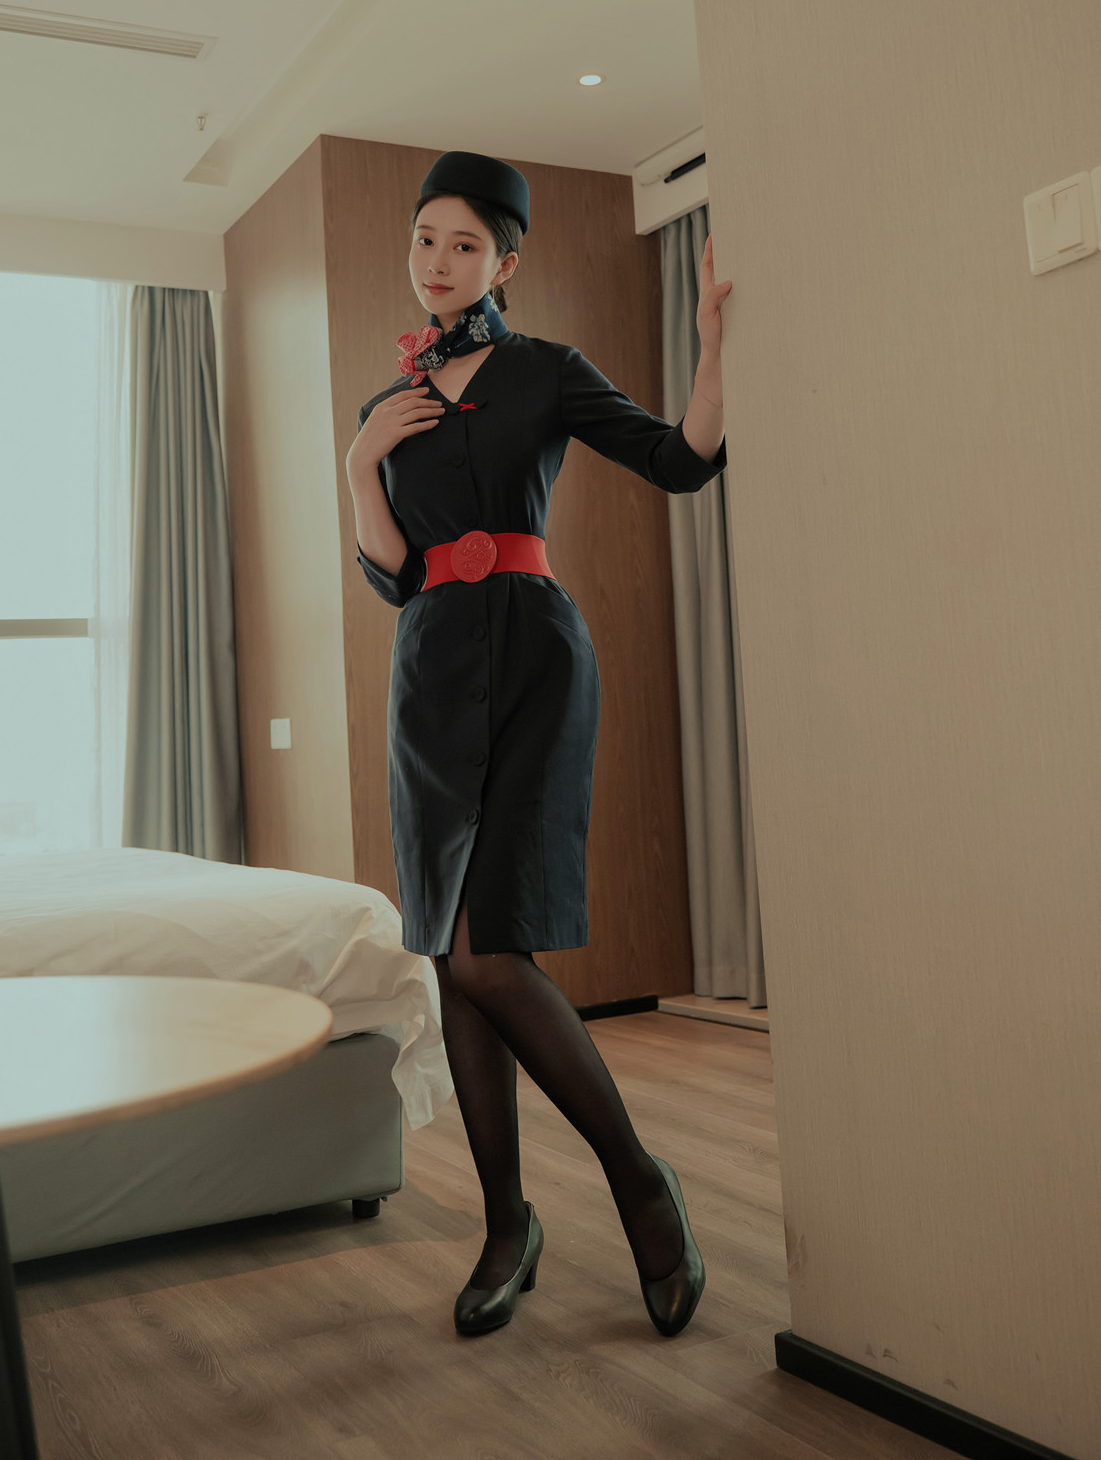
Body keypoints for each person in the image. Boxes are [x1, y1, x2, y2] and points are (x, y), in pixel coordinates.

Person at [345, 150, 731, 1339]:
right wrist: (360, 462)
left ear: (504, 262)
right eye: (425, 240)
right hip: (431, 675)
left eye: (464, 244)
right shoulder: (387, 405)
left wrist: (715, 346)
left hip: (533, 662)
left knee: (489, 954)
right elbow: (391, 574)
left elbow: (679, 461)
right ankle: (506, 1225)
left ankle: (640, 1184)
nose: (438, 262)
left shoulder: (546, 371)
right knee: (456, 958)